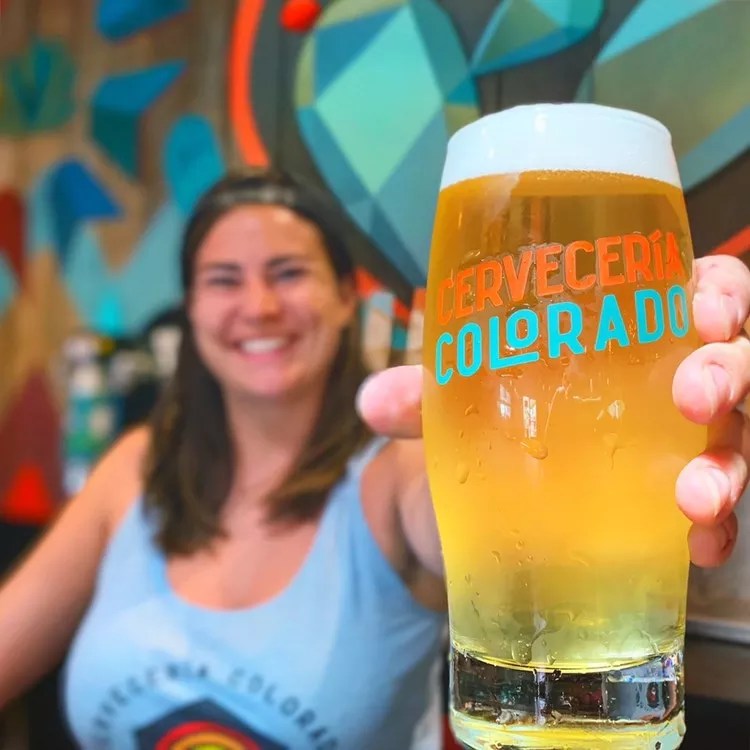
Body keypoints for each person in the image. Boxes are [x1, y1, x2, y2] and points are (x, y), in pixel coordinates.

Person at [0, 169, 748, 750]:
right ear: (191, 311)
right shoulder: (135, 467)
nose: (258, 305)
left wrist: (666, 418)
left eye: (288, 273)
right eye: (223, 280)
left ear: (343, 299)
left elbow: (492, 514)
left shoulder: (394, 474)